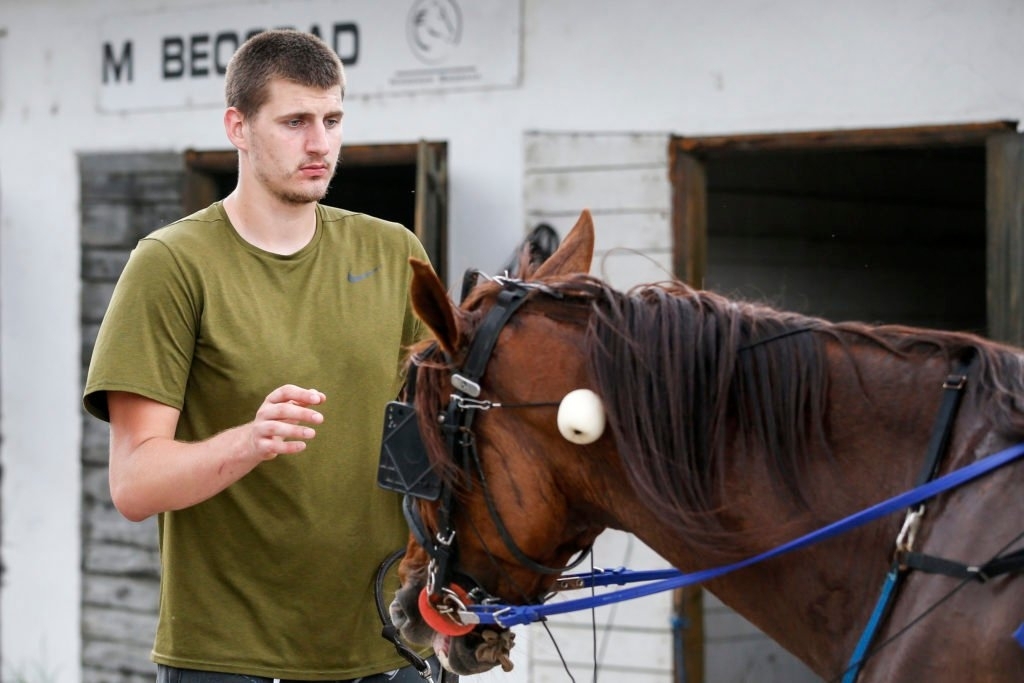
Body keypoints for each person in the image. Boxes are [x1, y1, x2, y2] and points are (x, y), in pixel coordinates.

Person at [84, 29, 440, 683]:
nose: (320, 143)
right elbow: (134, 483)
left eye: (332, 119)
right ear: (238, 127)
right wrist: (249, 440)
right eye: (295, 121)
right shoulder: (171, 264)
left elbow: (437, 442)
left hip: (389, 651)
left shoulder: (395, 253)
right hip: (229, 660)